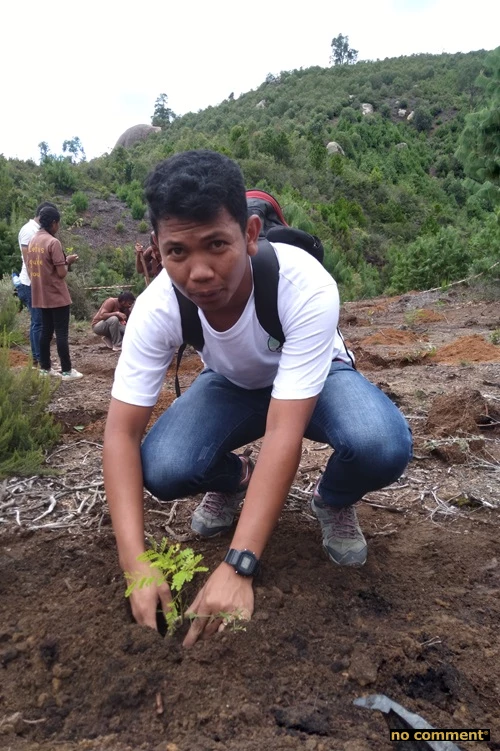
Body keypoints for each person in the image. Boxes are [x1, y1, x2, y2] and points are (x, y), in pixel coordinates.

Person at [103, 150, 412, 648]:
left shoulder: (303, 284)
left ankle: (332, 499)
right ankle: (235, 477)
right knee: (163, 467)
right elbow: (121, 433)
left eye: (216, 245)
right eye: (177, 252)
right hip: (231, 383)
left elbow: (284, 429)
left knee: (380, 443)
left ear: (249, 234)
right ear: (158, 249)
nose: (199, 272)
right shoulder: (157, 308)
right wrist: (134, 561)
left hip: (319, 379)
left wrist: (239, 563)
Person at [26, 206, 83, 381]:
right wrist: (68, 261)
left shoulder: (33, 240)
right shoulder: (53, 242)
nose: (58, 227)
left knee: (45, 331)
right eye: (58, 223)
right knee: (61, 333)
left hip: (40, 294)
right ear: (53, 223)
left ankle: (45, 368)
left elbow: (32, 267)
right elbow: (61, 273)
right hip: (57, 295)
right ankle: (67, 371)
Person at [17, 201, 58, 367]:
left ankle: (40, 357)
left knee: (40, 322)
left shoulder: (37, 231)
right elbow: (29, 261)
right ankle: (40, 359)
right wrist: (37, 283)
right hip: (30, 283)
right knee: (38, 322)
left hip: (36, 283)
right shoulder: (29, 231)